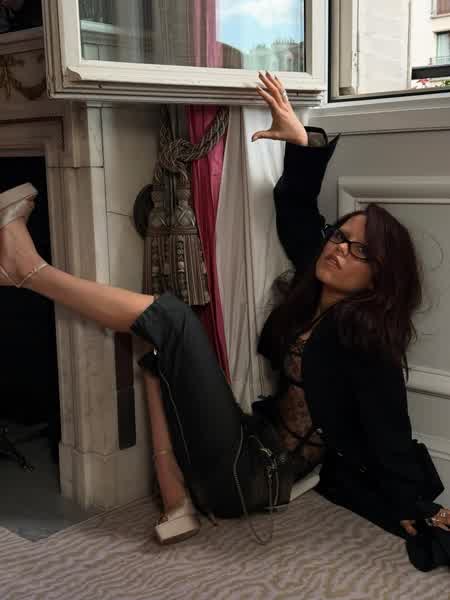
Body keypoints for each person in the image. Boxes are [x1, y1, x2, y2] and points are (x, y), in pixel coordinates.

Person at [0, 72, 449, 568]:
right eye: (339, 237)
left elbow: (390, 433)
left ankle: (28, 270)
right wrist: (302, 141)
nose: (340, 250)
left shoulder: (365, 341)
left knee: (171, 318)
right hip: (244, 440)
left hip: (251, 476)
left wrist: (415, 506)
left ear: (379, 277)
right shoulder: (316, 282)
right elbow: (295, 207)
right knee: (158, 345)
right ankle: (176, 498)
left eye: (359, 250)